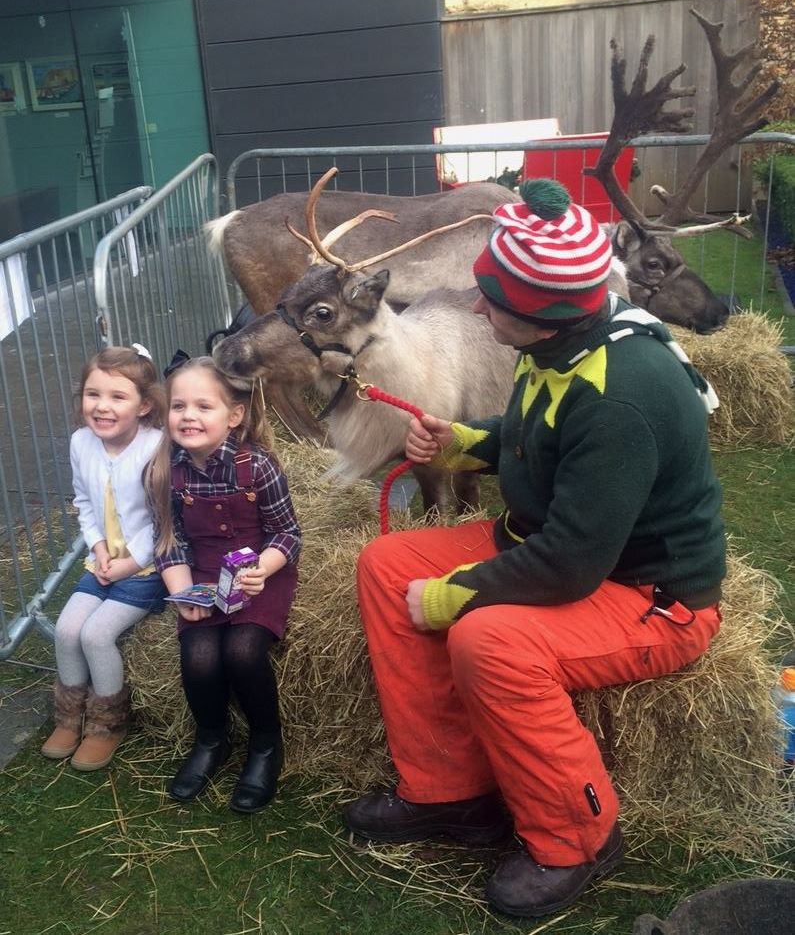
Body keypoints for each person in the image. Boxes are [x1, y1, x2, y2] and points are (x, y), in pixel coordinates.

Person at [342, 179, 726, 918]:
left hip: (647, 594)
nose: (477, 306)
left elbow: (569, 564)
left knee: (488, 638)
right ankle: (447, 790)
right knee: (385, 565)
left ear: (541, 311)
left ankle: (577, 838)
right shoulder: (563, 343)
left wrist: (451, 596)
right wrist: (460, 443)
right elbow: (536, 437)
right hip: (559, 545)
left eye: (492, 297)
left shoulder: (622, 391)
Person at [146, 355, 301, 813]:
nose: (188, 416)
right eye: (178, 406)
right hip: (203, 575)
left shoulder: (259, 467)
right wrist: (181, 593)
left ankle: (265, 745)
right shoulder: (164, 473)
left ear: (234, 417)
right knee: (198, 656)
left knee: (241, 650)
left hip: (257, 573)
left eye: (203, 406)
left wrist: (263, 570)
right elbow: (169, 543)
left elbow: (287, 534)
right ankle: (211, 740)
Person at [41, 345, 166, 771]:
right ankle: (69, 715)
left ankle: (106, 723)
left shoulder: (156, 447)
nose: (102, 406)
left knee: (96, 635)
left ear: (144, 404)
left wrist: (131, 563)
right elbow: (84, 502)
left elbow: (163, 519)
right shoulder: (81, 443)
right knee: (67, 629)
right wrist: (97, 548)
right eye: (93, 394)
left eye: (117, 397)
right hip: (102, 562)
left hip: (145, 569)